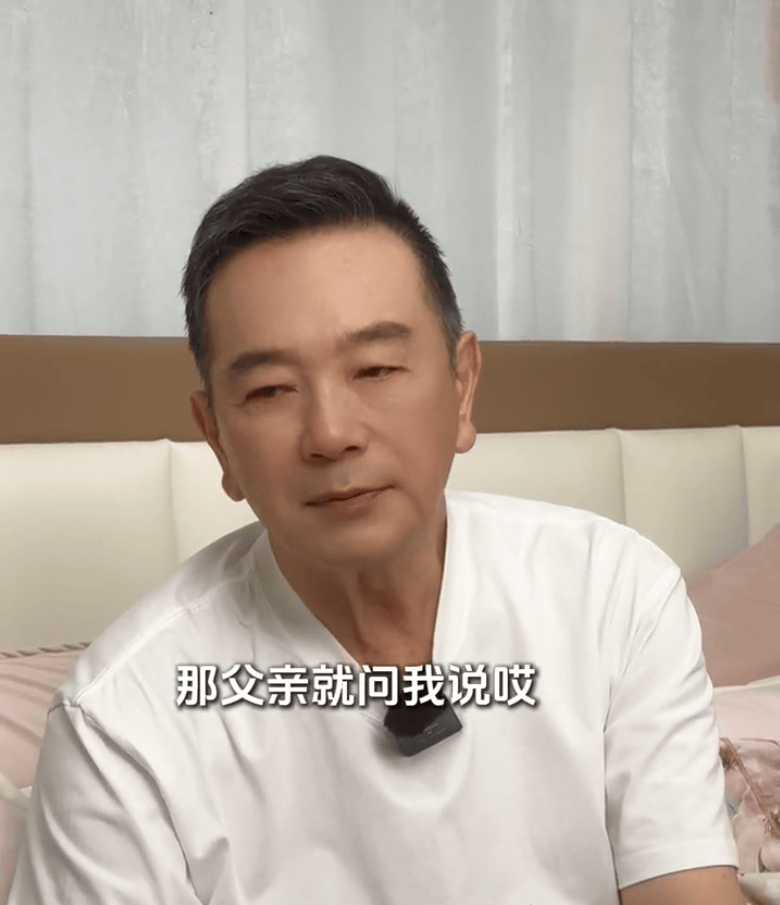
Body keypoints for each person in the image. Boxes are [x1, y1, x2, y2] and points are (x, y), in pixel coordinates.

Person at [10, 155, 745, 904]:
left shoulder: (613, 595)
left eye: (376, 369)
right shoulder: (119, 723)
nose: (331, 434)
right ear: (217, 438)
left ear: (462, 386)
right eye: (270, 389)